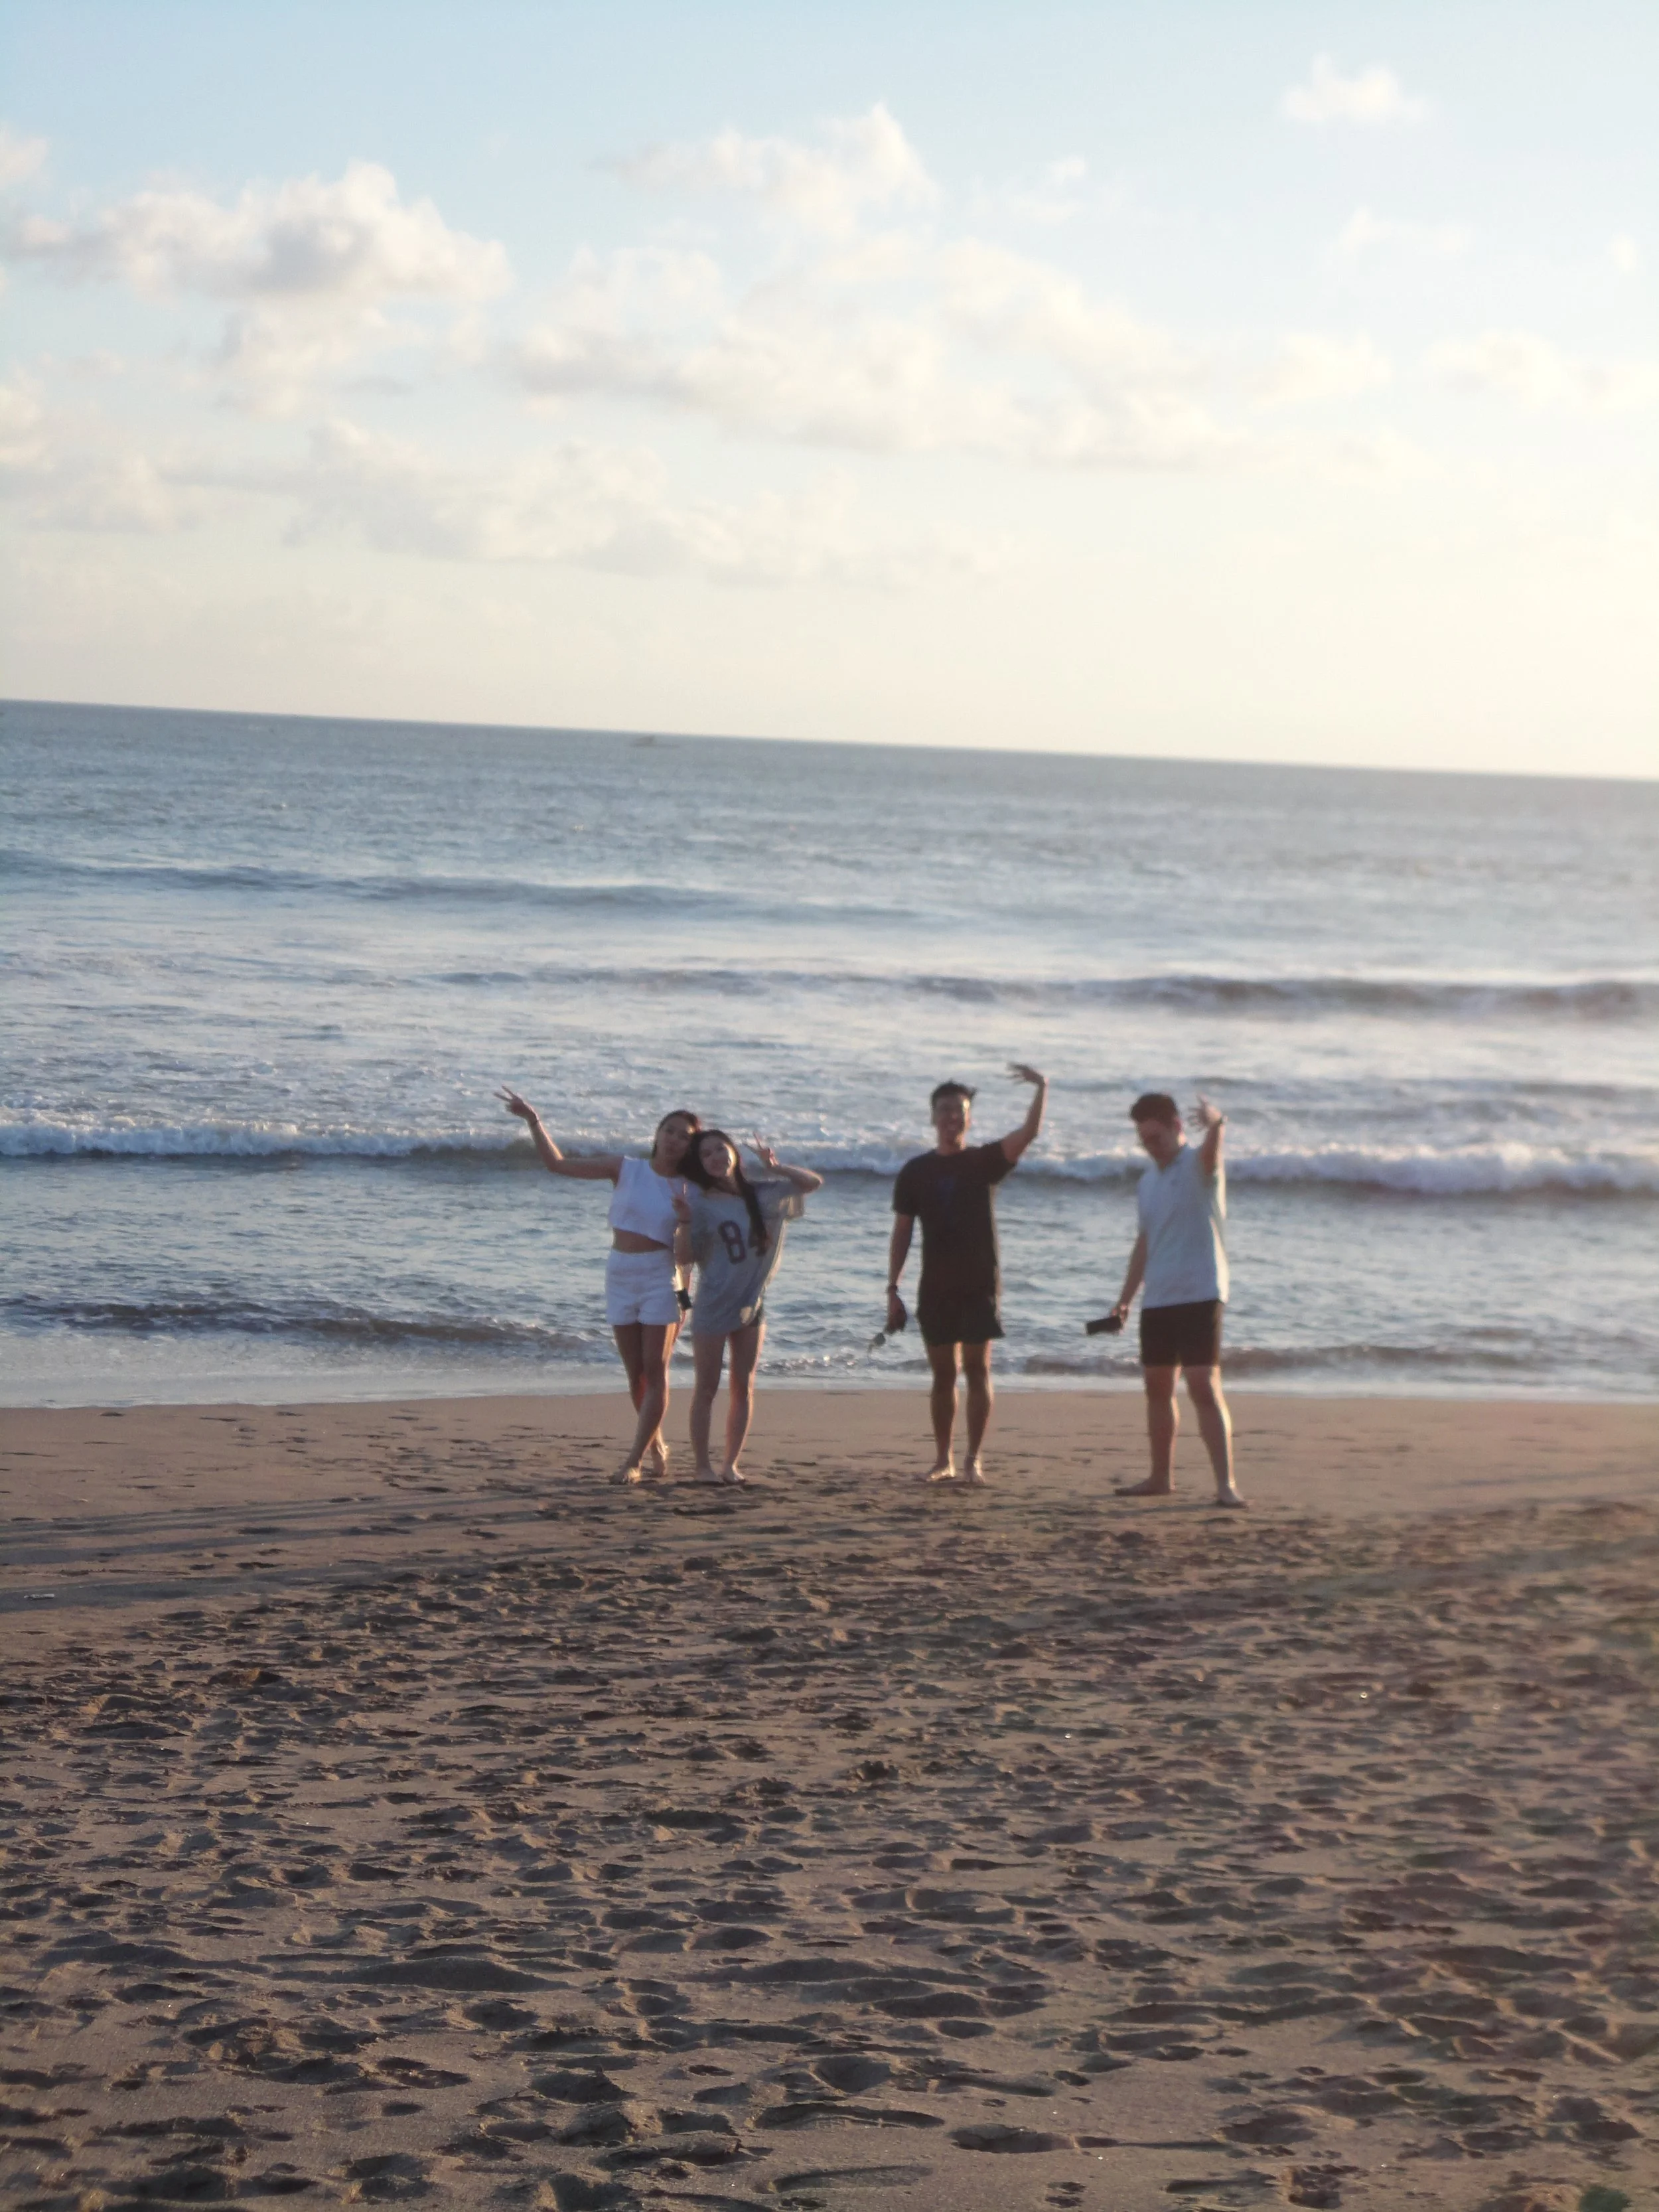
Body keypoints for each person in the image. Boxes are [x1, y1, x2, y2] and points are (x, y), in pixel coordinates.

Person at [496, 1089, 699, 1485]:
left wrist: (685, 1296)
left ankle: (634, 1461)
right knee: (635, 1374)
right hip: (620, 1272)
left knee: (656, 1371)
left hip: (663, 1276)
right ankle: (655, 1442)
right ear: (657, 1134)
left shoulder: (691, 1188)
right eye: (670, 1131)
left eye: (684, 1136)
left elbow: (691, 1251)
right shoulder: (625, 1168)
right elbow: (557, 1165)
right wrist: (533, 1120)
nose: (675, 1139)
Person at [885, 1065, 1048, 1485]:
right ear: (933, 1116)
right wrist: (892, 1288)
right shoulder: (915, 1172)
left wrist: (1042, 1087)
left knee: (978, 1370)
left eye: (959, 1110)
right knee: (942, 1375)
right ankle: (944, 1460)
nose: (952, 1117)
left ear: (969, 1117)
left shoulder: (984, 1161)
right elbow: (902, 1232)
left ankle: (974, 1460)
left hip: (979, 1283)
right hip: (935, 1285)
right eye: (944, 1109)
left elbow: (1028, 1133)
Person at [1106, 1091, 1244, 1509]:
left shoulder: (1200, 1166)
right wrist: (1125, 1299)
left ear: (1176, 1128)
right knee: (1157, 1386)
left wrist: (1217, 1122)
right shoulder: (1147, 1183)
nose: (1151, 1145)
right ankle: (1160, 1477)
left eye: (1157, 1137)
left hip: (1202, 1291)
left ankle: (1226, 1485)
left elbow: (1213, 1150)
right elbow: (1144, 1244)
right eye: (1144, 1139)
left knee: (1203, 1385)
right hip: (1159, 1298)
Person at [672, 1132, 823, 1486]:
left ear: (734, 1153)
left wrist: (775, 1165)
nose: (715, 1158)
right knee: (706, 1387)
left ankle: (730, 1465)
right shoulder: (700, 1203)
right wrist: (685, 1221)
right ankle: (702, 1466)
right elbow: (683, 1257)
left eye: (720, 1150)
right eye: (706, 1154)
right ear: (700, 1164)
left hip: (752, 1305)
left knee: (744, 1385)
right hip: (713, 1303)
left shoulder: (763, 1192)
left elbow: (811, 1183)